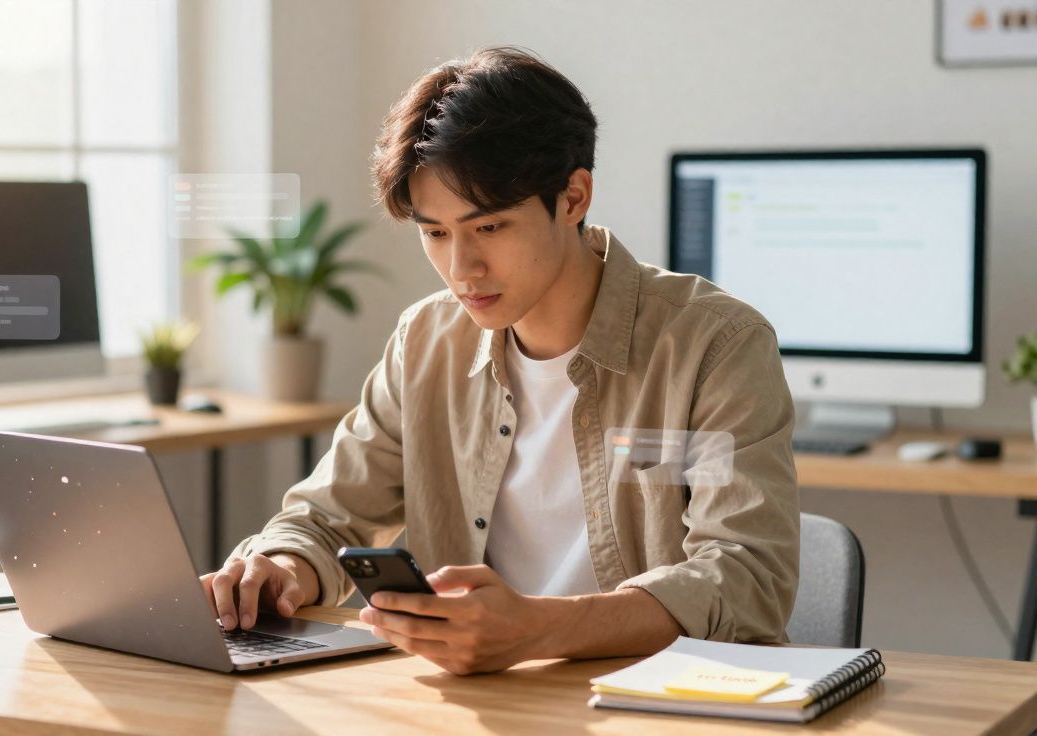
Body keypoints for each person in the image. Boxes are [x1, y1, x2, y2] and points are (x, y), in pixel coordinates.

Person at [201, 46, 799, 675]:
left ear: (573, 197)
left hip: (660, 703)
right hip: (481, 702)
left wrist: (541, 630)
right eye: (436, 233)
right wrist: (280, 569)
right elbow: (327, 515)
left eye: (489, 229)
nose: (462, 269)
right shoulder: (426, 340)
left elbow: (745, 575)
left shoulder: (715, 344)